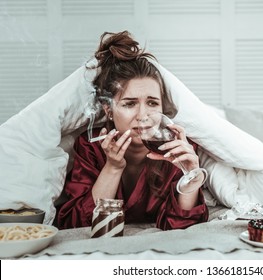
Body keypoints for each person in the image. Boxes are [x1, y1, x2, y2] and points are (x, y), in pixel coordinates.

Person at [56, 31, 209, 230]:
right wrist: (113, 167)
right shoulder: (91, 146)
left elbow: (182, 227)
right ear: (108, 110)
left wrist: (190, 177)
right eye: (129, 104)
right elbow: (75, 224)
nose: (143, 116)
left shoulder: (175, 147)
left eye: (152, 103)